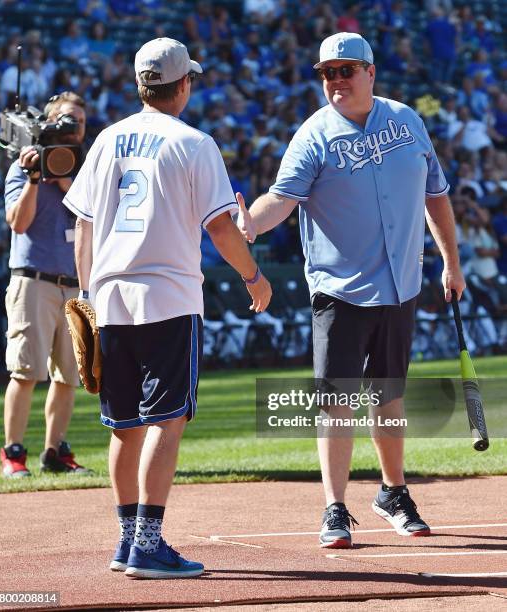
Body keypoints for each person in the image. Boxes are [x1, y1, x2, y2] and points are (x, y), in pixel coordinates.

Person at [237, 32, 465, 548]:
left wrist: (451, 262)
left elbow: (437, 196)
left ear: (370, 72)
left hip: (400, 285)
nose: (336, 80)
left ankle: (393, 493)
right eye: (327, 73)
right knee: (336, 402)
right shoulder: (314, 134)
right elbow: (281, 199)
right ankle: (334, 507)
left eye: (345, 70)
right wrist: (250, 223)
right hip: (340, 289)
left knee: (389, 398)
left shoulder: (407, 121)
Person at [63, 38, 271, 578]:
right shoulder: (193, 142)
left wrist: (87, 294)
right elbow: (221, 226)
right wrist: (253, 275)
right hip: (169, 296)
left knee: (124, 426)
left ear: (140, 84)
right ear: (183, 85)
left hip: (109, 298)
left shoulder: (106, 139)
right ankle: (148, 546)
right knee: (166, 421)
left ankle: (127, 539)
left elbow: (82, 227)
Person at [0, 92, 89, 477]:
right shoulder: (23, 167)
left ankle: (55, 452)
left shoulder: (86, 173)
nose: (74, 129)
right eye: (66, 121)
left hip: (74, 285)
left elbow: (96, 217)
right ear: (49, 123)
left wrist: (67, 180)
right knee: (25, 371)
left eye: (80, 123)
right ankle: (13, 453)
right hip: (33, 281)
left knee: (68, 375)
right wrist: (36, 178)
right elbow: (18, 223)